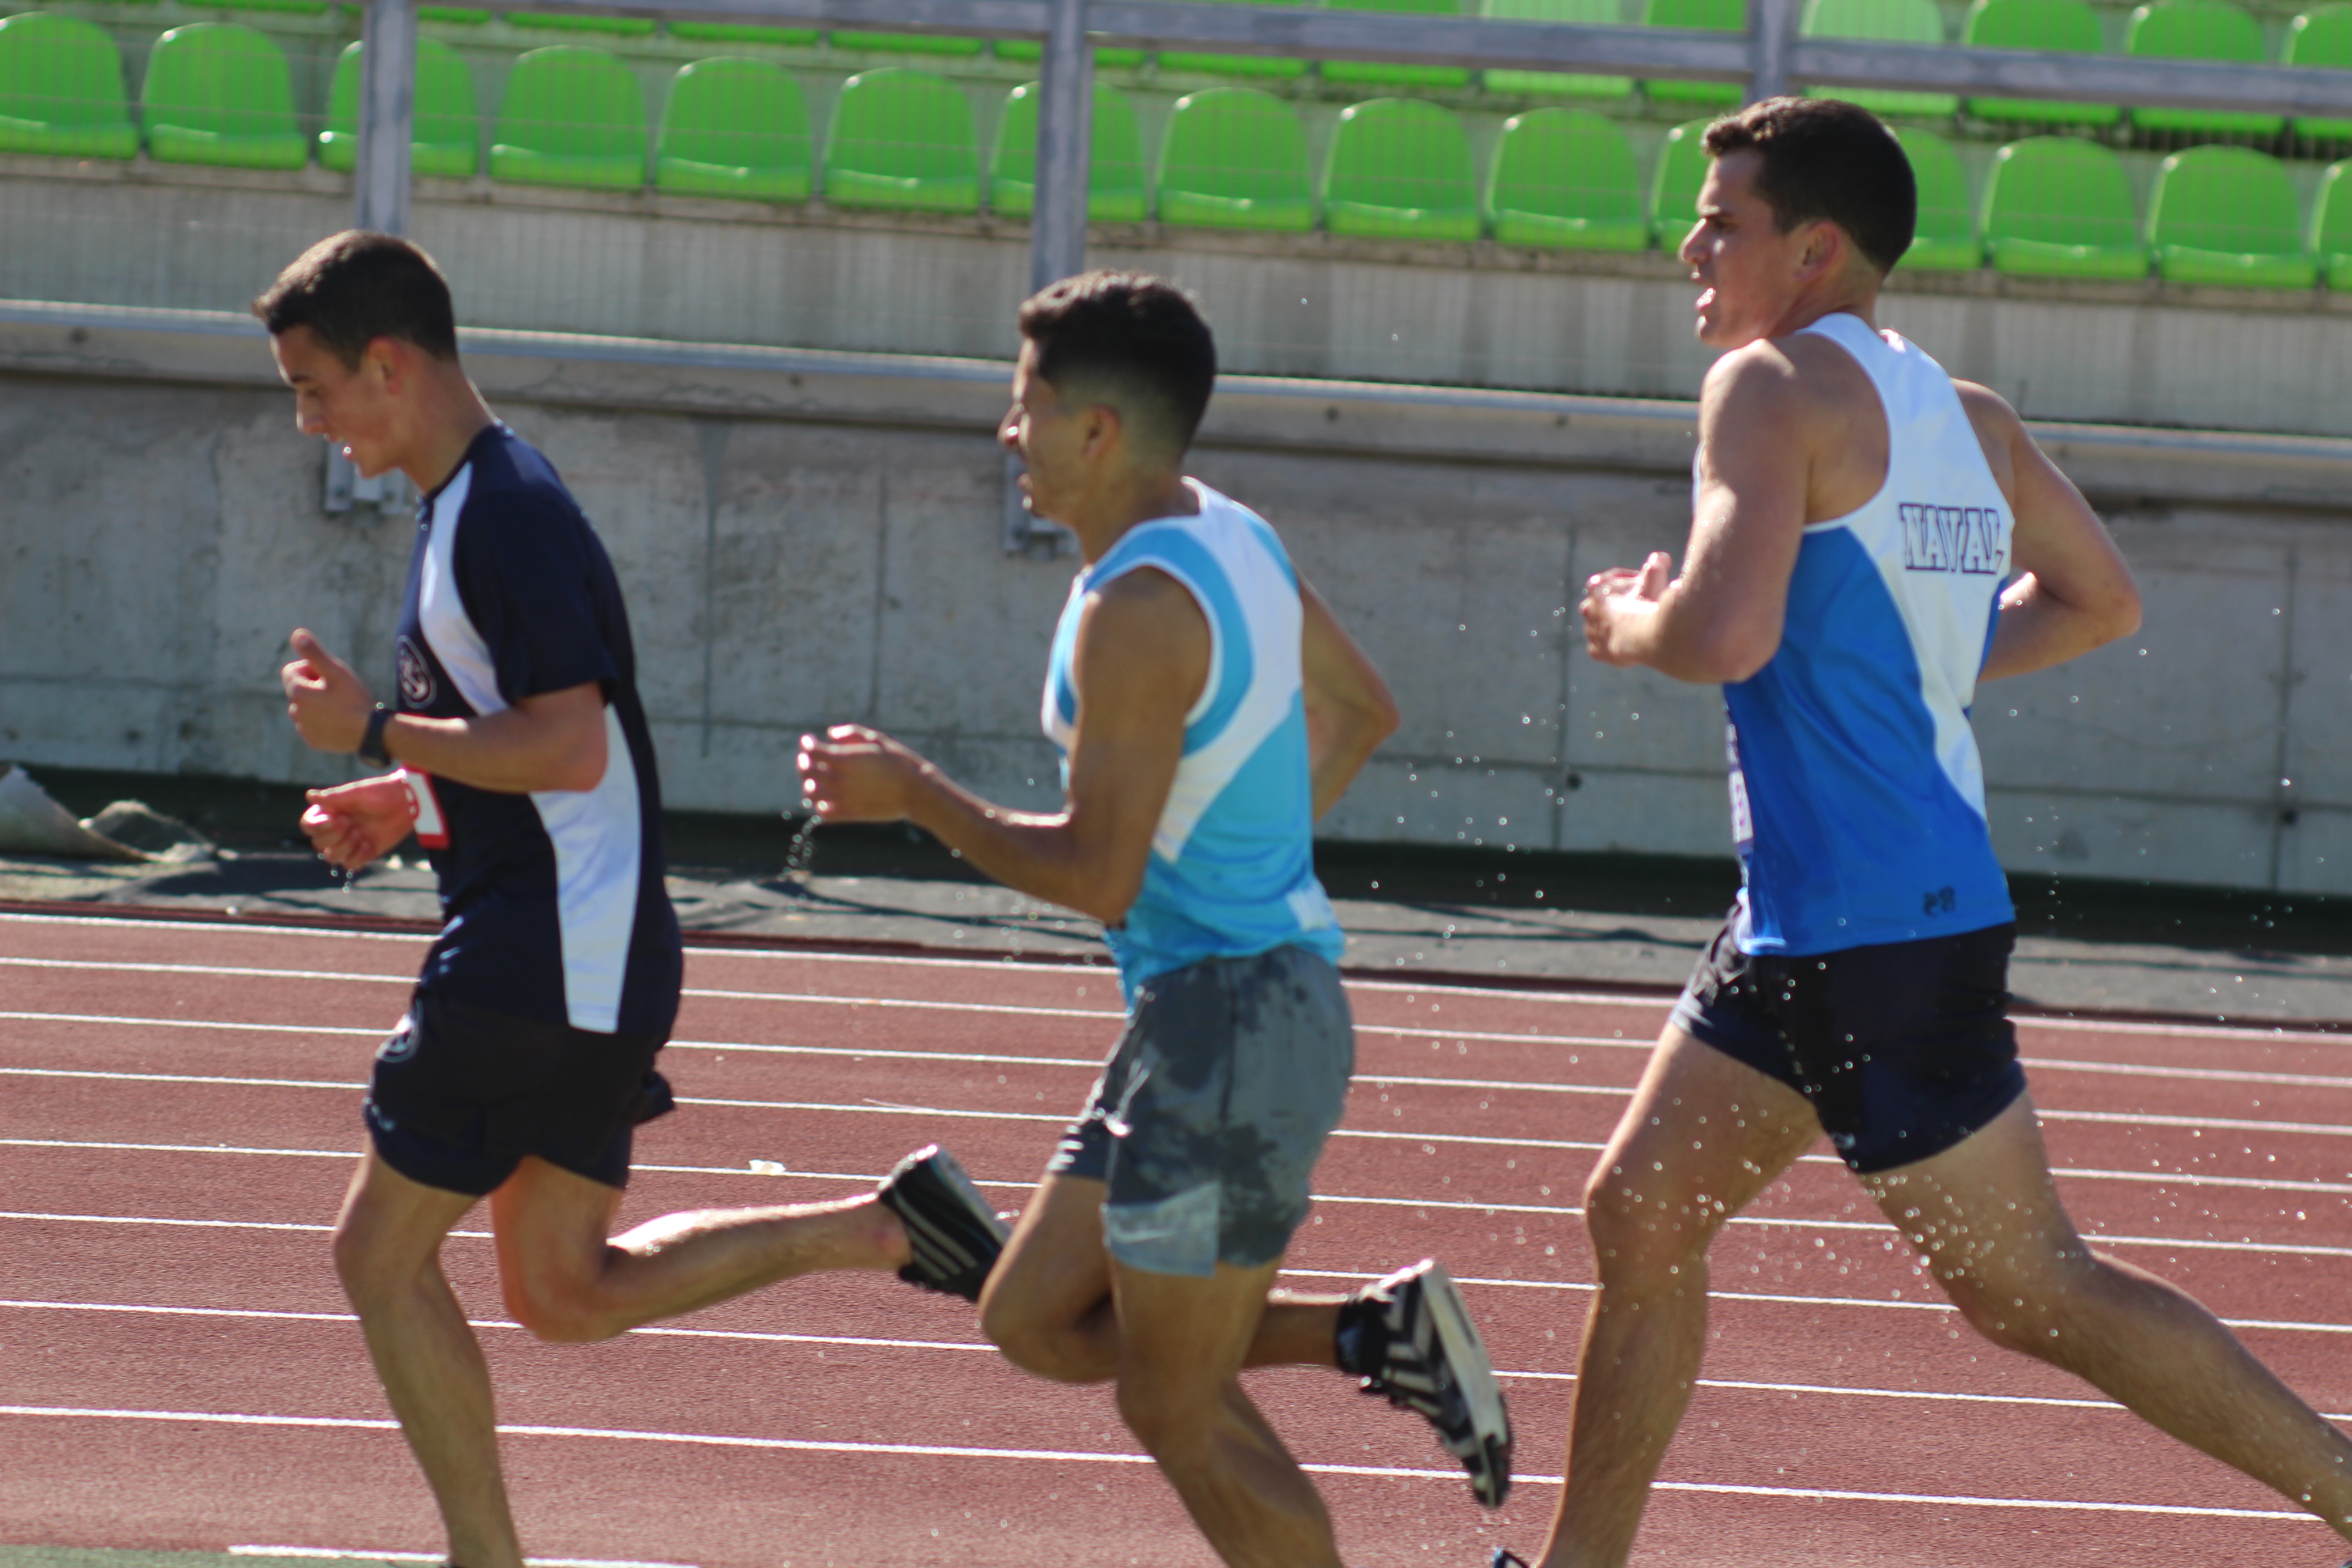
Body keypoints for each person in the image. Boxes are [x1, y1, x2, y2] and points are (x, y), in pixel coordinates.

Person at [1497, 98, 2352, 1568]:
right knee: (1637, 1215)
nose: (1690, 247)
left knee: (2036, 1292)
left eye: (1723, 221)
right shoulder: (1969, 418)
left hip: (1877, 930)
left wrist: (1628, 624)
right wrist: (1918, 665)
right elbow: (2101, 602)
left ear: (1816, 249)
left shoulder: (1765, 387)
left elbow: (1723, 632)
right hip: (1807, 923)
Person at [261, 230, 1010, 1568]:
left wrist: (374, 728)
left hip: (542, 950)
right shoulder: (475, 503)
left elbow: (568, 746)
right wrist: (412, 798)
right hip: (585, 948)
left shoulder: (504, 511)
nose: (310, 423)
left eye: (313, 390)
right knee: (564, 1292)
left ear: (387, 363)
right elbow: (536, 745)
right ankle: (889, 1226)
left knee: (376, 1257)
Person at [796, 270, 1514, 1567]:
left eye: (1024, 407)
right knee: (1030, 1316)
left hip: (1230, 1027)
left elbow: (1099, 878)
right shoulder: (1232, 531)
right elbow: (1363, 711)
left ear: (1097, 430)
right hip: (1211, 1015)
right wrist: (1250, 863)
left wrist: (915, 796)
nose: (1006, 434)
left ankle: (1374, 1347)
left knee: (1172, 1400)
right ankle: (1374, 1334)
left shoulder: (1134, 609)